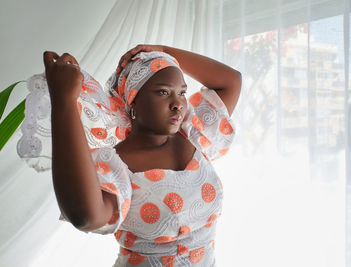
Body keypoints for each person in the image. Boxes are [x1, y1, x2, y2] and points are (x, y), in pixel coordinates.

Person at [41, 44, 241, 266]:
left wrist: (164, 51)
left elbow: (231, 81)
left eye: (182, 93)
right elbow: (87, 217)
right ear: (133, 101)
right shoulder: (118, 164)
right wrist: (64, 101)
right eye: (163, 92)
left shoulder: (192, 133)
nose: (177, 104)